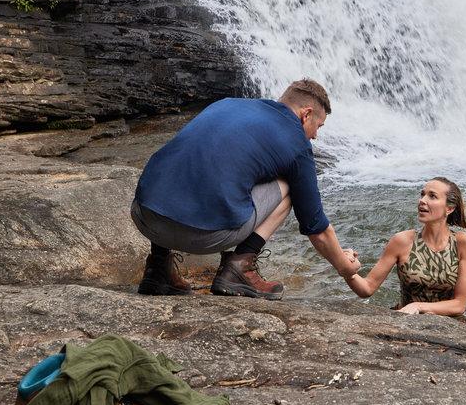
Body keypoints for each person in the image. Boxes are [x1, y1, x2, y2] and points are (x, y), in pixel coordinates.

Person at [130, 78, 360, 299]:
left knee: (197, 163)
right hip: (201, 236)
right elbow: (316, 228)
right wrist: (344, 267)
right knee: (290, 186)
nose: (316, 136)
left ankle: (158, 268)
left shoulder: (227, 104)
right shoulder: (297, 144)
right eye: (317, 126)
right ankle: (240, 267)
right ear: (306, 114)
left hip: (144, 216)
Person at [344, 177, 466, 315]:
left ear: (449, 208)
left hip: (447, 325)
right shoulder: (401, 241)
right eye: (422, 194)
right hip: (405, 321)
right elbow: (367, 288)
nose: (422, 200)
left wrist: (418, 306)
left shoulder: (465, 243)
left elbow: (459, 305)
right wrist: (348, 271)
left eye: (432, 196)